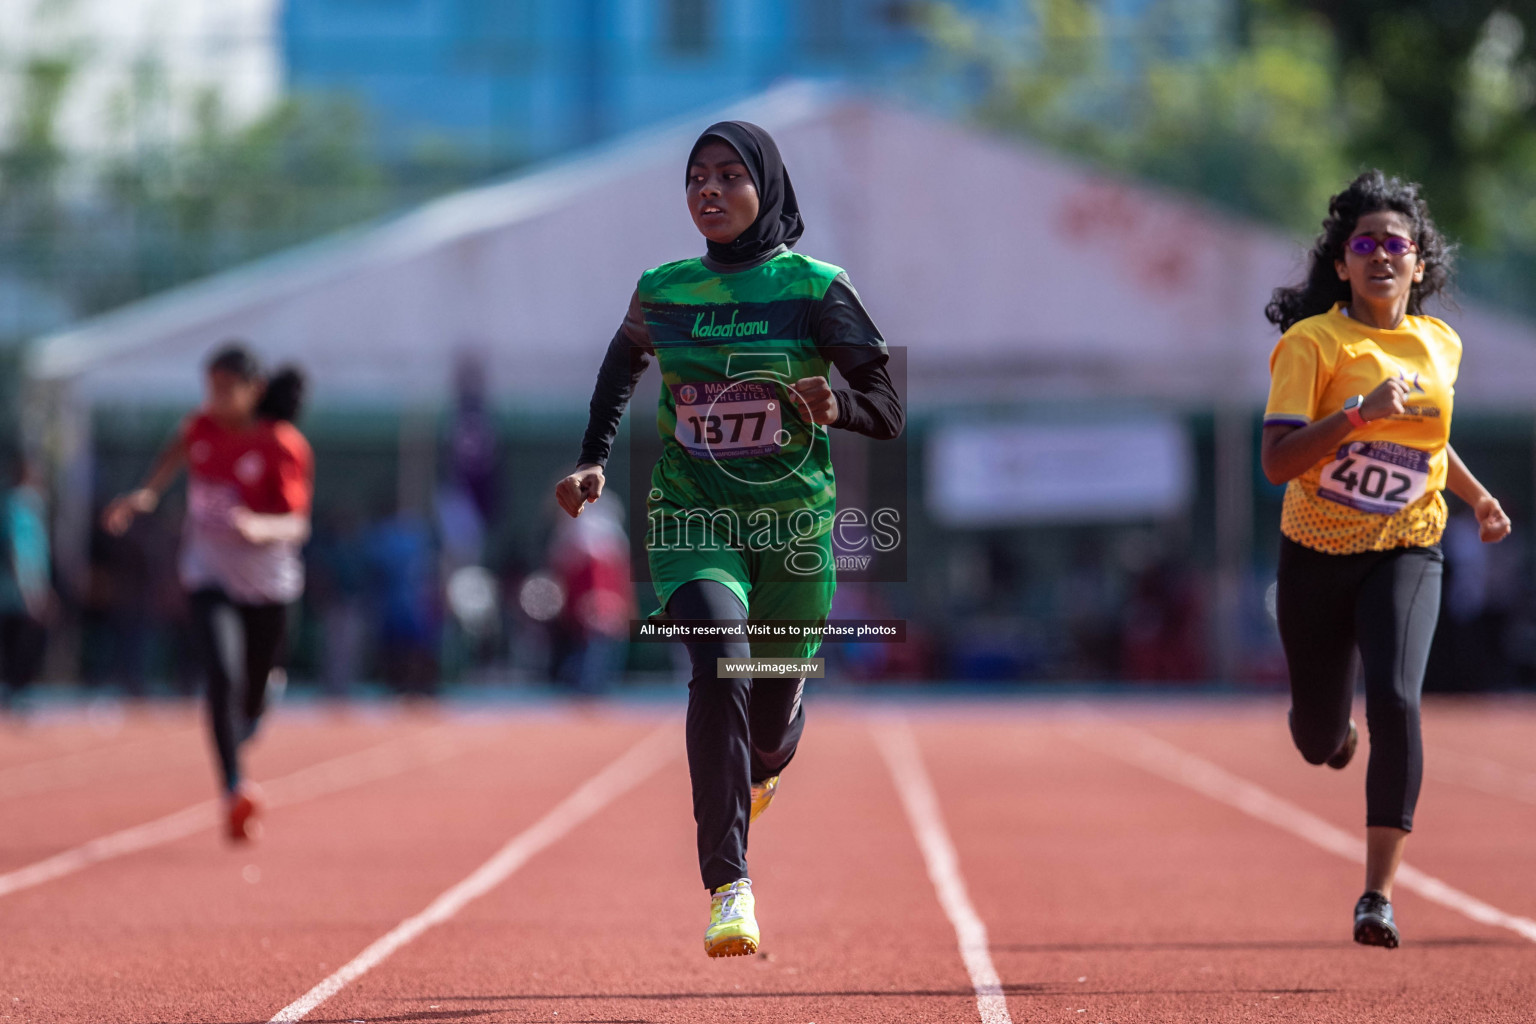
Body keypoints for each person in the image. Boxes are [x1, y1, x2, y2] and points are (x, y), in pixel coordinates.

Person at [555, 121, 904, 957]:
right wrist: (593, 459)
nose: (707, 191)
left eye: (727, 177)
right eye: (695, 179)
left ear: (766, 187)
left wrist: (837, 407)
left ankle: (771, 757)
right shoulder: (663, 290)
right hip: (692, 516)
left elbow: (887, 410)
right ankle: (730, 886)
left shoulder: (817, 288)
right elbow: (620, 364)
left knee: (771, 721)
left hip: (792, 527)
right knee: (717, 656)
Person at [1261, 170, 1511, 947]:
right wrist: (1355, 415)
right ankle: (1335, 735)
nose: (1380, 256)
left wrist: (1475, 497)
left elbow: (1426, 442)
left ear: (1420, 264)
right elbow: (1277, 462)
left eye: (1395, 245)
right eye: (1363, 244)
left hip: (1407, 542)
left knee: (1399, 700)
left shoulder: (1441, 343)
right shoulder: (1313, 343)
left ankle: (1378, 895)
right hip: (1316, 551)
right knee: (1314, 738)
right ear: (1341, 263)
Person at [104, 346, 313, 842]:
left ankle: (260, 703)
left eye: (225, 390)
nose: (214, 400)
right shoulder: (200, 428)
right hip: (209, 574)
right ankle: (234, 789)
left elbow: (297, 524)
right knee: (221, 673)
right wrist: (148, 493)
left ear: (254, 390)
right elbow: (176, 450)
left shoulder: (281, 445)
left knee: (252, 693)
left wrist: (258, 527)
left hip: (266, 583)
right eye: (209, 389)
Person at [0, 452, 51, 709]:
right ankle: (14, 690)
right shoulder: (17, 504)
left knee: (23, 638)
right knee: (19, 639)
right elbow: (16, 549)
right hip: (18, 588)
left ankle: (17, 690)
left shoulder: (33, 503)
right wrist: (29, 589)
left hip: (30, 585)